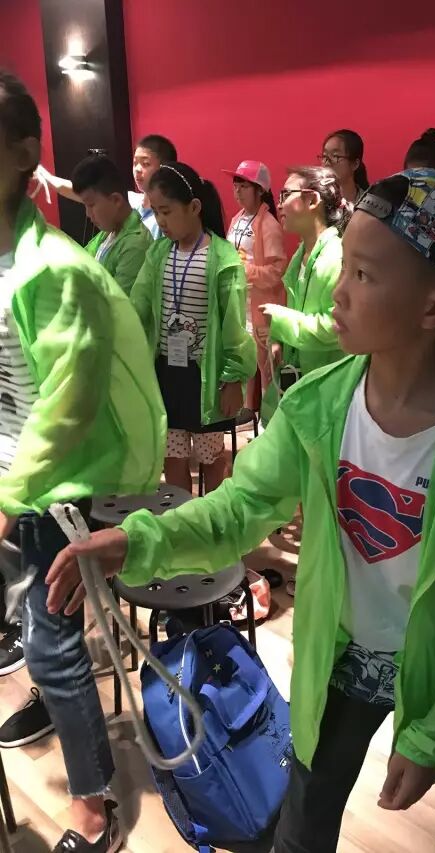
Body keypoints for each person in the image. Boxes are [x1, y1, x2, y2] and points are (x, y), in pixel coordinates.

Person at [46, 168, 435, 853]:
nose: (339, 291)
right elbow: (239, 508)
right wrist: (136, 542)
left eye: (363, 275)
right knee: (304, 821)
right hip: (340, 658)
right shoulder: (318, 407)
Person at [0, 70, 166, 853]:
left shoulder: (59, 268)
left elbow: (66, 406)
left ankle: (95, 798)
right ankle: (51, 699)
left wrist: (8, 496)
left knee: (53, 640)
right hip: (12, 476)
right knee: (30, 626)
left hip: (49, 490)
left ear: (23, 154)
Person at [130, 161, 256, 495]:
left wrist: (233, 379)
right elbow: (138, 306)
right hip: (167, 372)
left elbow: (234, 326)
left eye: (166, 211)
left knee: (211, 457)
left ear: (194, 207)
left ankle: (210, 522)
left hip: (207, 377)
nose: (160, 221)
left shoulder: (223, 258)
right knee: (172, 456)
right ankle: (182, 519)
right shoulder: (158, 254)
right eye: (155, 212)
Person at [260, 166, 346, 424]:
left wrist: (281, 321)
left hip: (329, 393)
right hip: (304, 389)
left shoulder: (336, 256)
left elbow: (337, 327)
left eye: (286, 194)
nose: (279, 204)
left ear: (312, 200)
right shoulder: (302, 255)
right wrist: (278, 340)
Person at [223, 160, 286, 400]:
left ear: (260, 190)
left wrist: (247, 270)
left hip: (261, 308)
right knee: (244, 362)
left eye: (244, 186)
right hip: (240, 304)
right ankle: (247, 410)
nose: (237, 191)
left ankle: (268, 416)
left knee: (267, 368)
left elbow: (277, 271)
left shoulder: (269, 224)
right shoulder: (237, 219)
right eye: (235, 185)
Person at [36, 133, 177, 239]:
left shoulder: (167, 215)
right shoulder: (131, 200)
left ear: (164, 167)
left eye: (145, 164)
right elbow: (77, 191)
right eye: (135, 163)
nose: (138, 169)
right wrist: (45, 176)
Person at [71, 154, 152, 295]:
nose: (88, 213)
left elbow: (117, 301)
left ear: (116, 200)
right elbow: (79, 263)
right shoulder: (108, 233)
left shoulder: (135, 244)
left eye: (91, 205)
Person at [319, 129, 368, 204]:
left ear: (355, 164)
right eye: (325, 156)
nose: (327, 163)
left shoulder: (369, 205)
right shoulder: (316, 201)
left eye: (335, 156)